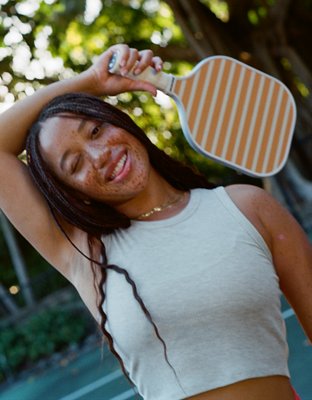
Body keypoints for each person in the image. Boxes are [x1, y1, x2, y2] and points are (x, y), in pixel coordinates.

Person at [0, 44, 311, 400]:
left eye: (96, 131)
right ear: (75, 194)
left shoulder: (248, 206)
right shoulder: (85, 255)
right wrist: (93, 81)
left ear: (121, 123)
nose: (100, 156)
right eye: (75, 165)